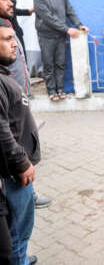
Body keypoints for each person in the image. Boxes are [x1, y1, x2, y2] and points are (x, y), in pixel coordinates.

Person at [0, 18, 39, 265]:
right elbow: (1, 129)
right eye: (6, 39)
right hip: (13, 173)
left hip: (17, 171)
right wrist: (21, 162)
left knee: (21, 230)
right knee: (17, 231)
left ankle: (21, 256)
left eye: (14, 38)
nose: (14, 45)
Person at [33, 0, 89, 102]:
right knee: (48, 64)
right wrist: (67, 29)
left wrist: (79, 24)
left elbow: (70, 12)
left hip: (60, 36)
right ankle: (51, 90)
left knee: (61, 63)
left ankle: (60, 89)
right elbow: (48, 18)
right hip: (46, 36)